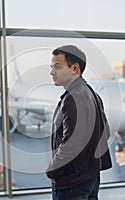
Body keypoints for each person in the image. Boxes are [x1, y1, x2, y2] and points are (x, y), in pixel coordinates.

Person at [46, 45, 112, 200]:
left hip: (71, 182)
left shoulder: (72, 99)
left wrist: (53, 171)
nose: (52, 72)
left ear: (75, 68)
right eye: (51, 67)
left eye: (57, 67)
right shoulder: (91, 93)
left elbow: (70, 144)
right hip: (90, 178)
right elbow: (105, 132)